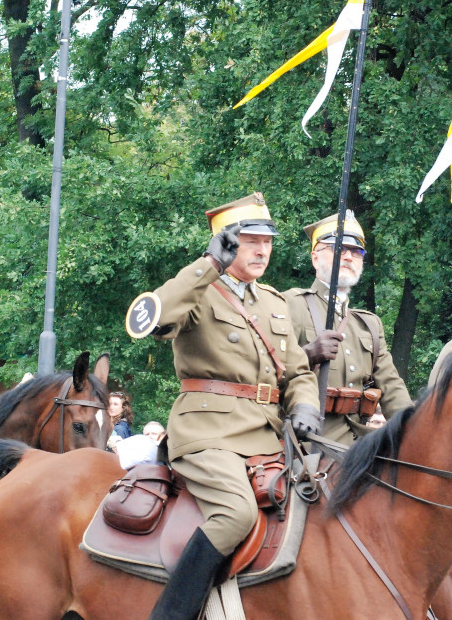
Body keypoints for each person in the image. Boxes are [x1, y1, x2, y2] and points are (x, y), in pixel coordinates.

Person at [145, 192, 320, 620]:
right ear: (224, 242)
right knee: (235, 513)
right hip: (208, 433)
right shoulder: (198, 291)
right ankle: (172, 613)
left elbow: (297, 372)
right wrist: (209, 265)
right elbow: (154, 317)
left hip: (267, 435)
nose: (262, 250)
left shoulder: (275, 303)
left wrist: (305, 408)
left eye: (268, 241)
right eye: (249, 240)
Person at [283, 211, 411, 444]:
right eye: (338, 249)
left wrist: (415, 431)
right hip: (306, 437)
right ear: (315, 258)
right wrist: (308, 355)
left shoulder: (369, 324)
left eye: (356, 251)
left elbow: (392, 387)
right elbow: (266, 372)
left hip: (361, 440)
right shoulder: (290, 304)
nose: (349, 257)